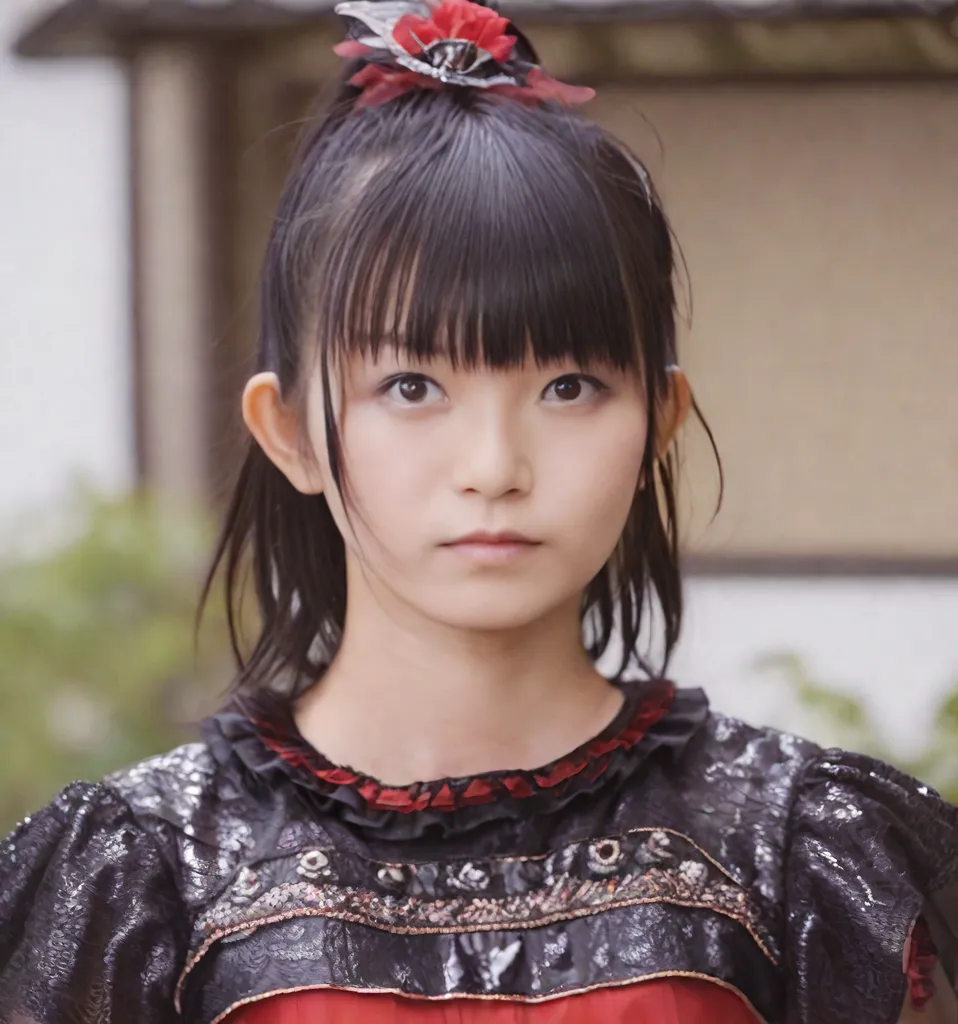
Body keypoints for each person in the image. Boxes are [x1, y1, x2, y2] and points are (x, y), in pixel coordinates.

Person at [1, 0, 956, 1020]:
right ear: (289, 431)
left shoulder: (805, 852)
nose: (494, 465)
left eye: (569, 387)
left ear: (659, 422)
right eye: (411, 387)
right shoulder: (140, 879)